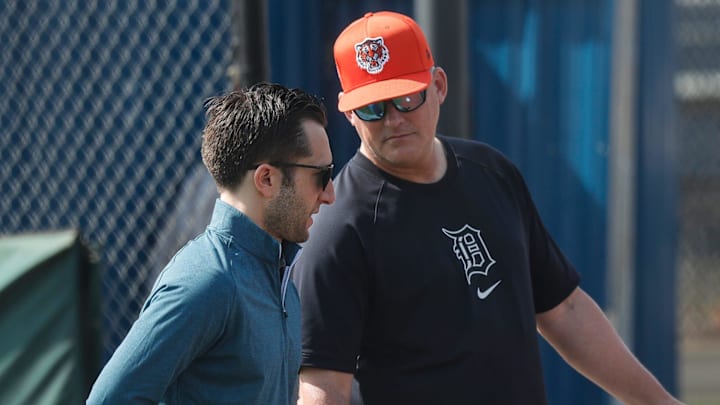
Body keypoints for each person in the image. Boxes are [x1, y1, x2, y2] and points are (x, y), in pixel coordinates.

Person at [291, 10, 683, 405]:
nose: (393, 119)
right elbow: (324, 385)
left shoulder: (490, 172)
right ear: (348, 113)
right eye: (373, 107)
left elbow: (564, 310)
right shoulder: (340, 228)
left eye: (407, 97)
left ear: (438, 85)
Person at [87, 82, 335, 404]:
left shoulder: (278, 274)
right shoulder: (207, 280)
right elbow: (109, 400)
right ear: (266, 179)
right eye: (321, 175)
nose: (329, 194)